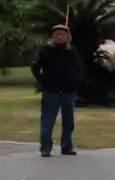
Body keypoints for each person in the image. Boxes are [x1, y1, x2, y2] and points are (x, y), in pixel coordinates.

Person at [31, 24, 84, 157]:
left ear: (67, 36)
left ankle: (66, 147)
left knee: (68, 121)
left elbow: (79, 68)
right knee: (47, 121)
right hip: (51, 91)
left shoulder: (72, 51)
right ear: (53, 35)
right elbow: (35, 66)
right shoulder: (45, 50)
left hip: (68, 91)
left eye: (62, 34)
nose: (60, 36)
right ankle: (45, 148)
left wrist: (76, 81)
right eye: (57, 34)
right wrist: (42, 80)